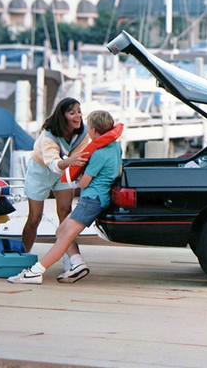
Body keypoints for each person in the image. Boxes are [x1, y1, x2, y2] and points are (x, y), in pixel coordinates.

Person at [8, 110, 122, 284]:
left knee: (66, 236)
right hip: (99, 197)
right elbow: (119, 171)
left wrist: (76, 179)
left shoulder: (98, 153)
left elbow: (84, 183)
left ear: (94, 131)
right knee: (60, 231)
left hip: (92, 199)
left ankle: (36, 272)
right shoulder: (115, 146)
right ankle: (77, 264)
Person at [22, 97, 89, 257]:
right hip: (41, 171)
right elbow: (53, 164)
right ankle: (23, 255)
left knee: (65, 213)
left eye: (79, 111)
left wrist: (78, 169)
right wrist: (70, 161)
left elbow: (80, 157)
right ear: (62, 116)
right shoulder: (49, 136)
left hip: (66, 170)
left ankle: (69, 258)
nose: (78, 116)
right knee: (34, 218)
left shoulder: (83, 133)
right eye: (72, 113)